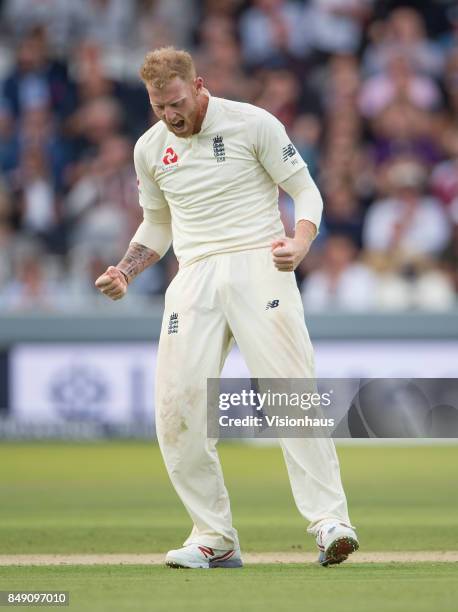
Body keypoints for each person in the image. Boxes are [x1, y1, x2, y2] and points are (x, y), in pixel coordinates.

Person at [95, 47, 358, 569]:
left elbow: (306, 192)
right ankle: (213, 536)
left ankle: (330, 521)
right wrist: (125, 269)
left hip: (260, 263)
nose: (170, 117)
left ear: (198, 86)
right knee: (176, 408)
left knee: (289, 391)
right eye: (157, 107)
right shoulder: (150, 149)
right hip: (192, 277)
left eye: (175, 104)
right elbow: (158, 224)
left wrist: (300, 243)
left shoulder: (252, 123)